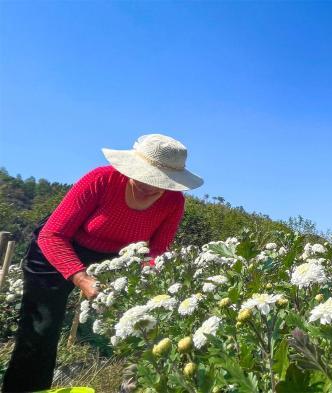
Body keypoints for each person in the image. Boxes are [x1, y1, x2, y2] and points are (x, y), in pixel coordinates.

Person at [2, 134, 203, 392]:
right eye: (143, 176)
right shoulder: (101, 179)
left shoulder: (174, 202)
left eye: (159, 181)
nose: (148, 185)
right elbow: (53, 235)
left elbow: (156, 253)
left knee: (145, 323)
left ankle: (135, 386)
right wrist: (81, 278)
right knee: (40, 331)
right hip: (59, 248)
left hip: (117, 259)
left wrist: (144, 288)